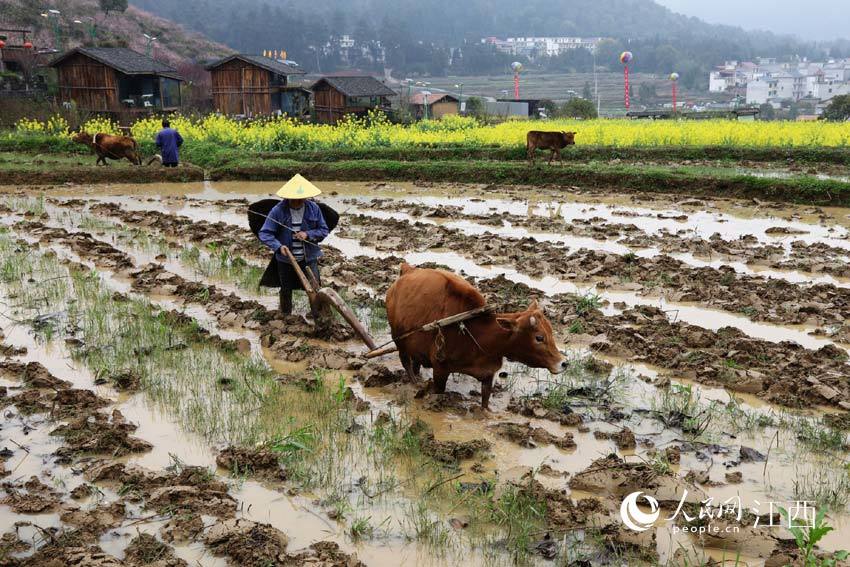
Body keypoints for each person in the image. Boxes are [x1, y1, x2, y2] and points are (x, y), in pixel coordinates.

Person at [258, 175, 329, 316]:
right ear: (288, 197)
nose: (298, 201)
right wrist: (279, 247)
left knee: (314, 288)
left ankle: (318, 316)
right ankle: (286, 316)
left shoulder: (313, 209)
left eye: (301, 198)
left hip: (309, 257)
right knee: (286, 289)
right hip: (286, 260)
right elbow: (265, 233)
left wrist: (307, 234)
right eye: (294, 199)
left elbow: (323, 230)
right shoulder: (278, 211)